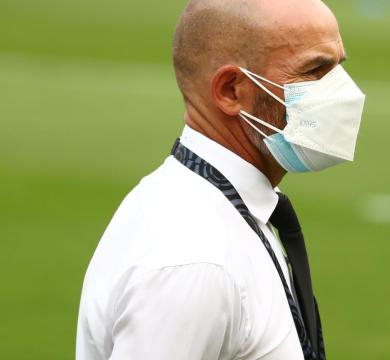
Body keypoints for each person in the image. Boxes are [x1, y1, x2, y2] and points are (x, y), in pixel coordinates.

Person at [75, 0, 365, 359]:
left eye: (339, 67)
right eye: (315, 70)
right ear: (231, 91)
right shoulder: (195, 260)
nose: (342, 91)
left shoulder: (223, 211)